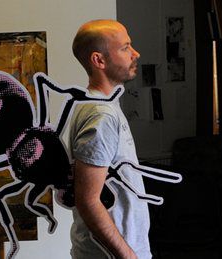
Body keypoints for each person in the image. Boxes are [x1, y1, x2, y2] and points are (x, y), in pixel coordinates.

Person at [65, 19, 148, 259]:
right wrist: (128, 256)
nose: (135, 53)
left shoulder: (101, 105)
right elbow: (88, 200)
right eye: (125, 48)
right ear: (98, 60)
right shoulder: (100, 115)